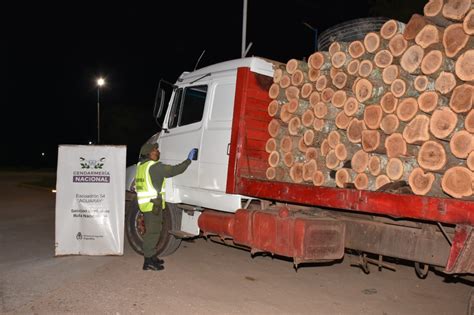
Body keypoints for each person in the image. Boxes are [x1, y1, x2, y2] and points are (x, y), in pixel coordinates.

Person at [135, 142, 197, 271]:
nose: (158, 152)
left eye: (157, 150)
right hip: (152, 206)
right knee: (152, 233)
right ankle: (148, 262)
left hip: (147, 205)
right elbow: (175, 170)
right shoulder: (154, 167)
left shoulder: (141, 166)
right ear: (148, 153)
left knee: (154, 232)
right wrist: (188, 160)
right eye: (155, 150)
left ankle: (152, 257)